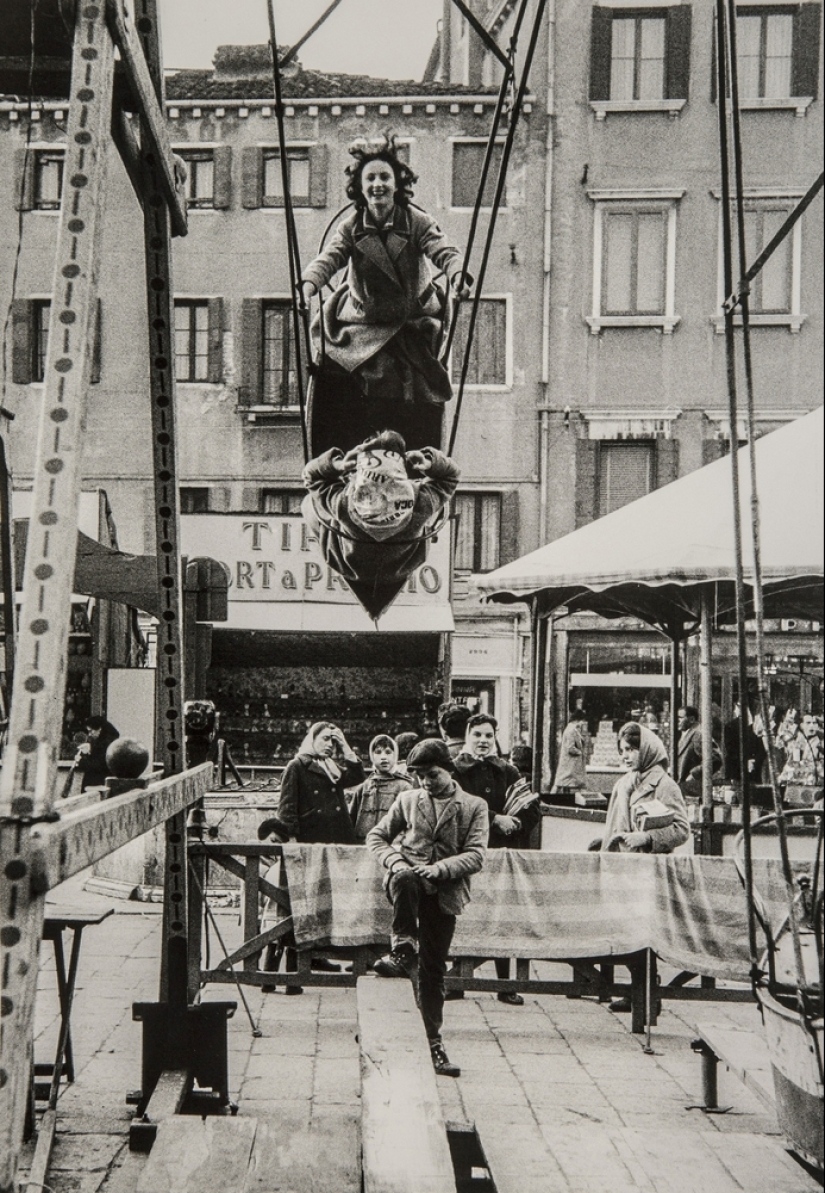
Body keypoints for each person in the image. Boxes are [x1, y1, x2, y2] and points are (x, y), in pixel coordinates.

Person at [301, 134, 471, 414]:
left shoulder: (416, 222)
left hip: (411, 320)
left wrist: (458, 275)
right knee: (339, 371)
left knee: (405, 377)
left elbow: (444, 251)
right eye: (370, 179)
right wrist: (308, 285)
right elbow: (329, 259)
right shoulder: (351, 227)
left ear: (396, 184)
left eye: (384, 177)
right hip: (363, 321)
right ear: (360, 187)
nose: (378, 184)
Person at [366, 738, 488, 1078]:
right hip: (408, 884)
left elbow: (477, 854)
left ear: (448, 769)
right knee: (405, 881)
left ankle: (433, 1043)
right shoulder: (406, 800)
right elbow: (376, 837)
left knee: (433, 970)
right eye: (419, 776)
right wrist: (395, 862)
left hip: (445, 893)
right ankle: (402, 947)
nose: (425, 783)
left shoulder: (474, 806)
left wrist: (440, 869)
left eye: (432, 775)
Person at [302, 430, 459, 620]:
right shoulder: (420, 502)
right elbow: (451, 477)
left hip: (348, 564)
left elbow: (310, 476)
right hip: (401, 568)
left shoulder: (344, 503)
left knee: (309, 503)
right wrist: (429, 463)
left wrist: (338, 465)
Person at [599, 723, 690, 1014]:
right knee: (625, 931)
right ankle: (639, 989)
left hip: (649, 872)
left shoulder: (664, 784)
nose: (626, 756)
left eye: (632, 750)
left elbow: (681, 830)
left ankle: (648, 995)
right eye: (622, 750)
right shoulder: (624, 782)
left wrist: (647, 837)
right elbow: (613, 824)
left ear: (647, 749)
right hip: (622, 867)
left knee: (644, 933)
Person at [452, 713, 541, 1005]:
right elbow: (455, 807)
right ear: (467, 737)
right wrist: (494, 819)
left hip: (502, 854)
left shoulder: (508, 771)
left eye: (488, 736)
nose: (482, 741)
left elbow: (532, 809)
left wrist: (516, 823)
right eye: (477, 734)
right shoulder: (456, 770)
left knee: (502, 915)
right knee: (467, 914)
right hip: (469, 853)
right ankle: (457, 980)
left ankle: (505, 984)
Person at [276, 722, 364, 845]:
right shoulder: (297, 766)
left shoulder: (331, 766)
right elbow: (287, 808)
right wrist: (290, 839)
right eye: (325, 739)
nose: (329, 745)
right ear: (313, 739)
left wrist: (345, 745)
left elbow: (357, 777)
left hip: (340, 835)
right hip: (312, 837)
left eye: (333, 742)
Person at [347, 734, 410, 842]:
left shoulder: (404, 787)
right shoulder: (364, 787)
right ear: (372, 756)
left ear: (395, 755)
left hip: (391, 846)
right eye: (378, 752)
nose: (383, 757)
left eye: (388, 752)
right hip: (363, 846)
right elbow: (351, 821)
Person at [676, 705, 722, 797]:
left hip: (691, 789)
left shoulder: (698, 734)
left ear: (692, 719)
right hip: (685, 788)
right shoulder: (688, 733)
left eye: (680, 718)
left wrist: (694, 774)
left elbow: (715, 759)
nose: (677, 721)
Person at [724, 701, 767, 785]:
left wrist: (755, 761)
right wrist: (745, 762)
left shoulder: (758, 725)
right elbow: (731, 750)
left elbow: (762, 750)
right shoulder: (731, 726)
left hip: (754, 771)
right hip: (737, 771)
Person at [75, 715, 119, 792]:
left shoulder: (105, 744)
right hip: (102, 783)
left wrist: (81, 760)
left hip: (97, 785)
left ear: (99, 729)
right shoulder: (109, 742)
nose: (89, 734)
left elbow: (97, 766)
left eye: (90, 731)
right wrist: (90, 750)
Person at [552, 709, 590, 793]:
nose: (583, 723)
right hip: (571, 765)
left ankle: (549, 798)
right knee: (580, 785)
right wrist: (580, 753)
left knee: (559, 783)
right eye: (582, 721)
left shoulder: (572, 729)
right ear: (578, 719)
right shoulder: (571, 730)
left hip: (571, 765)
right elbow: (570, 748)